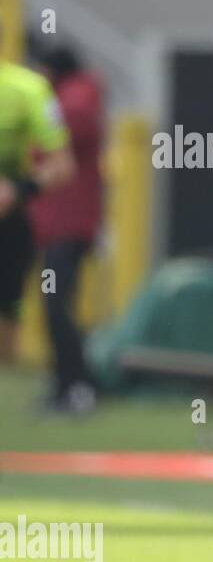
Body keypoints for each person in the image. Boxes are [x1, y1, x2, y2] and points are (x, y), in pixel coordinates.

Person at [27, 43, 104, 412]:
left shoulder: (74, 103)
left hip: (69, 226)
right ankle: (67, 384)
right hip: (60, 225)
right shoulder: (69, 100)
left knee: (57, 306)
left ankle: (76, 386)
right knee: (55, 306)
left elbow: (49, 137)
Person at [0, 26, 75, 365]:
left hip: (8, 223)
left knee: (8, 313)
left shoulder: (28, 89)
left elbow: (62, 165)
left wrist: (17, 190)